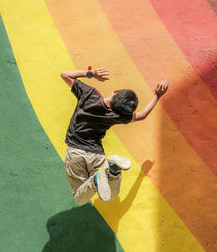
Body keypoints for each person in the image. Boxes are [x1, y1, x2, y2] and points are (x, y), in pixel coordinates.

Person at [60, 67, 168, 204]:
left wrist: (91, 74)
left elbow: (65, 75)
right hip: (96, 155)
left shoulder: (89, 94)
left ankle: (95, 180)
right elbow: (142, 115)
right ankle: (113, 170)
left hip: (76, 153)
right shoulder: (117, 116)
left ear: (116, 92)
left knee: (79, 198)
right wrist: (157, 96)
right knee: (111, 194)